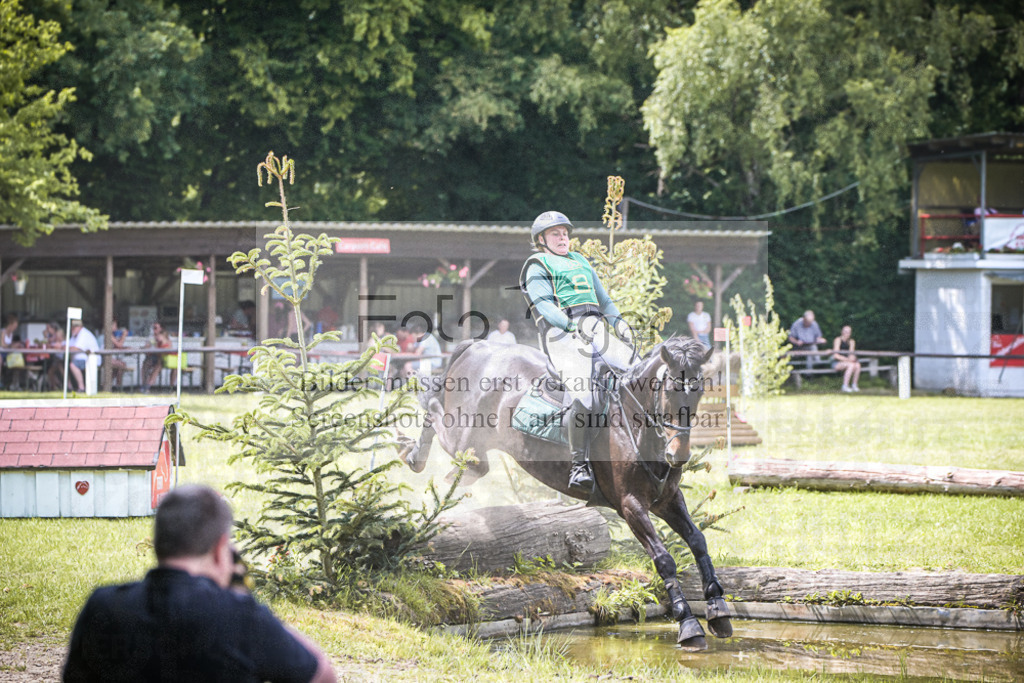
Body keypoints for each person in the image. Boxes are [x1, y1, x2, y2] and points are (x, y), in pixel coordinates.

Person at [63, 484, 335, 682]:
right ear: (220, 550)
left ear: (159, 543)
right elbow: (321, 675)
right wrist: (247, 601)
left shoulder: (102, 606)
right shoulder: (241, 615)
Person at [520, 210, 635, 494]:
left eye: (565, 233)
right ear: (541, 239)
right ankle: (579, 465)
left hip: (596, 326)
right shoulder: (537, 264)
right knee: (583, 394)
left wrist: (620, 325)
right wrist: (570, 326)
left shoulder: (581, 261)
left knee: (637, 370)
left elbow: (605, 301)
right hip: (562, 334)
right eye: (556, 234)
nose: (563, 238)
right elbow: (544, 305)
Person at [141, 322, 172, 393]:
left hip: (162, 358)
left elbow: (169, 347)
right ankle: (144, 385)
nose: (154, 330)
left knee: (158, 366)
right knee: (145, 364)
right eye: (153, 328)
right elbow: (146, 348)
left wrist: (161, 342)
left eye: (156, 328)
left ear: (160, 329)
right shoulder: (151, 337)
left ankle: (148, 386)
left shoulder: (165, 336)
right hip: (152, 357)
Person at [832, 325, 862, 393]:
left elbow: (851, 353)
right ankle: (845, 386)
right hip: (837, 362)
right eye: (845, 332)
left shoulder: (851, 341)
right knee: (850, 365)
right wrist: (847, 360)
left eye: (848, 332)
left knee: (858, 365)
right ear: (842, 332)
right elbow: (836, 355)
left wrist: (852, 358)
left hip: (848, 361)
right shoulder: (838, 340)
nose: (846, 333)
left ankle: (854, 385)